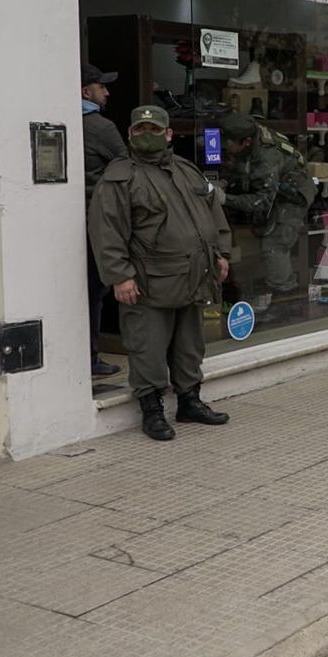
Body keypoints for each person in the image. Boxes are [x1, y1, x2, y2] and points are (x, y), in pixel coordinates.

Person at [88, 105, 234, 441]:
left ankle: (189, 402)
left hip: (194, 277)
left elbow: (213, 213)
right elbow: (105, 230)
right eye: (140, 130)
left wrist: (222, 254)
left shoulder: (185, 169)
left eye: (155, 130)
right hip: (149, 283)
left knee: (189, 345)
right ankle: (151, 410)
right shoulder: (119, 177)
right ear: (130, 135)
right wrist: (119, 276)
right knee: (147, 347)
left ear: (169, 134)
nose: (147, 135)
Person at [217, 113, 313, 314]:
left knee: (274, 245)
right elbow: (245, 168)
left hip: (292, 196)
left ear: (246, 141)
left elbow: (262, 201)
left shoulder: (267, 156)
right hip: (275, 188)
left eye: (229, 142)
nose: (225, 146)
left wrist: (226, 199)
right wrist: (228, 182)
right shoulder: (250, 133)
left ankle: (286, 300)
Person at [81, 62, 128, 379]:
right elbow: (127, 168)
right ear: (86, 91)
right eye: (102, 86)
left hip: (69, 216)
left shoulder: (63, 120)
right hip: (95, 219)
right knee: (95, 291)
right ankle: (91, 357)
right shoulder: (99, 127)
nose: (107, 92)